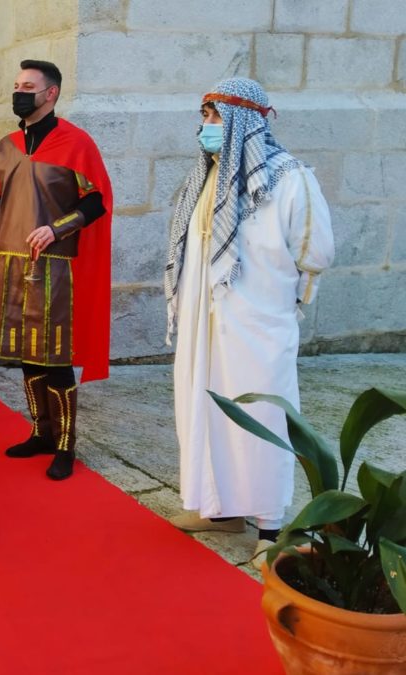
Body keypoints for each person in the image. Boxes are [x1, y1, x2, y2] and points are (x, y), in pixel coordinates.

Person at [164, 78, 334, 567]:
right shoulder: (205, 178)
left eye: (216, 117)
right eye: (205, 116)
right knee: (204, 408)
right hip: (205, 325)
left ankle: (270, 525)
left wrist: (287, 304)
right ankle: (219, 511)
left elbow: (315, 252)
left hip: (258, 327)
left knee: (261, 416)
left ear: (245, 121)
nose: (207, 126)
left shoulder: (289, 179)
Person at [0, 59, 113, 480]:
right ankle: (41, 433)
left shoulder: (76, 143)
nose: (19, 92)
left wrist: (56, 229)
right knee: (24, 354)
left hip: (55, 268)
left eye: (27, 85)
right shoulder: (6, 146)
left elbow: (95, 201)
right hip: (11, 263)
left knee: (55, 356)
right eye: (16, 84)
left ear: (50, 94)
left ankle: (66, 444)